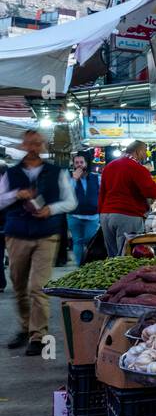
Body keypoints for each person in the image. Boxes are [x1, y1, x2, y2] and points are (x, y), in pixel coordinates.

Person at [0, 130, 77, 354]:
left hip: (46, 234)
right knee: (19, 285)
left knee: (38, 287)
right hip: (17, 234)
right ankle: (25, 327)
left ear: (43, 146)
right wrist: (16, 195)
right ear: (23, 145)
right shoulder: (11, 173)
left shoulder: (57, 172)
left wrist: (50, 209)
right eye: (30, 143)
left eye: (38, 143)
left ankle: (38, 335)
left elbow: (71, 202)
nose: (33, 147)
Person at [99, 141, 156, 255]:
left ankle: (116, 273)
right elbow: (152, 192)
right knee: (127, 256)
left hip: (106, 216)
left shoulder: (109, 166)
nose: (146, 155)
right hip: (127, 215)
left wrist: (101, 214)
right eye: (145, 151)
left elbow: (102, 193)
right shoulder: (137, 168)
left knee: (113, 257)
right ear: (138, 151)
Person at [68, 152, 101, 266]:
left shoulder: (96, 178)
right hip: (74, 215)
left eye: (81, 162)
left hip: (92, 216)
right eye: (76, 163)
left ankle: (89, 263)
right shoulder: (69, 178)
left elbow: (102, 193)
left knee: (89, 239)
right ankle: (80, 266)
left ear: (87, 163)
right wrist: (74, 180)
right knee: (77, 241)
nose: (79, 165)